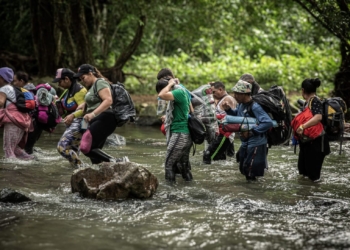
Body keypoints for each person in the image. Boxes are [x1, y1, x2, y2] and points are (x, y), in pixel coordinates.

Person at [74, 64, 128, 164]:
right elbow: (96, 99)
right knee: (94, 153)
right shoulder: (92, 86)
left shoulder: (100, 82)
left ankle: (117, 161)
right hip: (99, 119)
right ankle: (101, 173)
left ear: (90, 73)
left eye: (83, 77)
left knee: (85, 147)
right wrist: (85, 104)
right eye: (80, 79)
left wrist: (92, 114)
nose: (82, 81)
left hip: (105, 118)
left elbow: (108, 100)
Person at [222, 80, 273, 181]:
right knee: (244, 169)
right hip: (245, 142)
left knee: (250, 172)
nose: (234, 96)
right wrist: (228, 110)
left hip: (256, 143)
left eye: (237, 93)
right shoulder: (241, 105)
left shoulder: (255, 106)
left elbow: (268, 123)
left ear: (244, 94)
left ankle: (255, 194)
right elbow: (237, 115)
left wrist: (251, 132)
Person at [156, 77, 193, 182]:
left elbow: (161, 95)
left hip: (180, 134)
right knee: (183, 166)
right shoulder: (182, 91)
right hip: (185, 134)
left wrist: (169, 85)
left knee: (169, 165)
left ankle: (170, 194)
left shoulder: (178, 92)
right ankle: (189, 186)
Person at [294, 78, 330, 182]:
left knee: (313, 176)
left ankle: (314, 195)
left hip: (317, 143)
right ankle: (306, 194)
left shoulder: (315, 101)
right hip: (307, 142)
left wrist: (302, 126)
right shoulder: (307, 103)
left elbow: (318, 117)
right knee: (303, 172)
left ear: (303, 90)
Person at [53, 68, 87, 167]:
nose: (58, 85)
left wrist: (73, 115)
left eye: (60, 81)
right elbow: (65, 112)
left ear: (67, 79)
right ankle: (79, 171)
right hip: (72, 124)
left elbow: (85, 110)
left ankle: (83, 167)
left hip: (81, 123)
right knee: (73, 152)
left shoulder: (80, 91)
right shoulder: (67, 91)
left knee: (61, 147)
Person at [0, 67, 34, 160]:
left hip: (13, 121)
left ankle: (12, 171)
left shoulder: (4, 88)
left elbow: (1, 102)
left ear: (2, 78)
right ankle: (32, 160)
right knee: (14, 149)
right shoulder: (14, 88)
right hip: (22, 120)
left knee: (8, 149)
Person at [203, 81, 237, 164]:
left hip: (225, 134)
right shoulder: (221, 99)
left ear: (220, 89)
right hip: (221, 133)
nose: (213, 94)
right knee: (219, 160)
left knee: (208, 156)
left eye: (214, 92)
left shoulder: (228, 99)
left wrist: (216, 118)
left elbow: (233, 117)